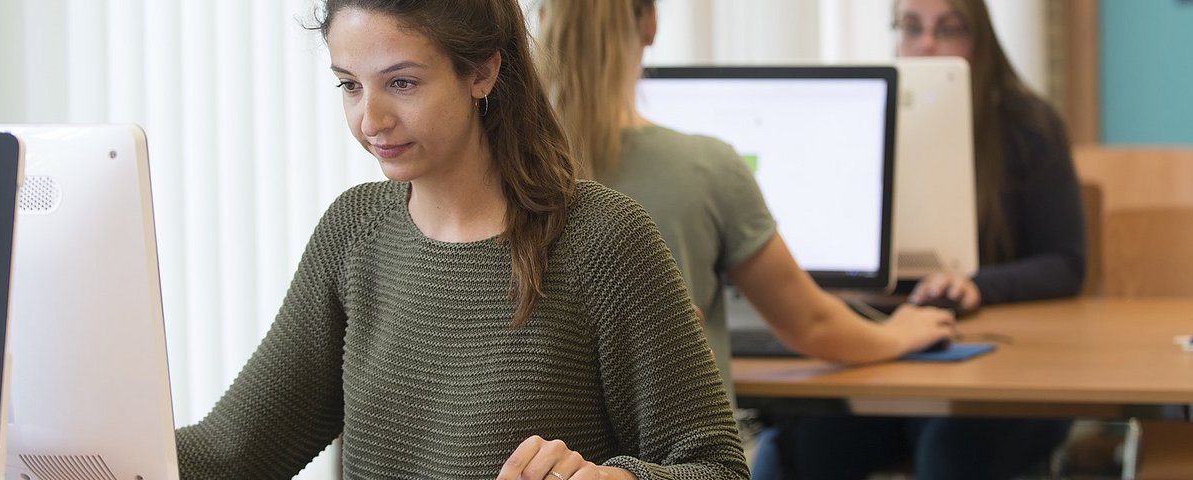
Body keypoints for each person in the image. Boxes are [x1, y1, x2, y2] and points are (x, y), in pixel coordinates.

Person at [171, 1, 749, 479]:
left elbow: (716, 468)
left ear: (482, 73)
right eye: (350, 86)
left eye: (401, 83)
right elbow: (232, 452)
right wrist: (94, 447)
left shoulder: (604, 241)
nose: (370, 120)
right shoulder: (354, 233)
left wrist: (611, 478)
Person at [534, 0, 956, 388]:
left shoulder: (510, 170)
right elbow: (811, 323)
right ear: (650, 24)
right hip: (681, 457)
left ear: (540, 20)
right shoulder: (704, 166)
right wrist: (897, 334)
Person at [771, 0, 1088, 478]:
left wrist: (978, 285)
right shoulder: (865, 119)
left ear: (979, 39)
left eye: (949, 29)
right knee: (787, 451)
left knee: (950, 452)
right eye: (912, 27)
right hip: (891, 354)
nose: (926, 44)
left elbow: (1066, 263)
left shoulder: (1030, 126)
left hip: (1004, 368)